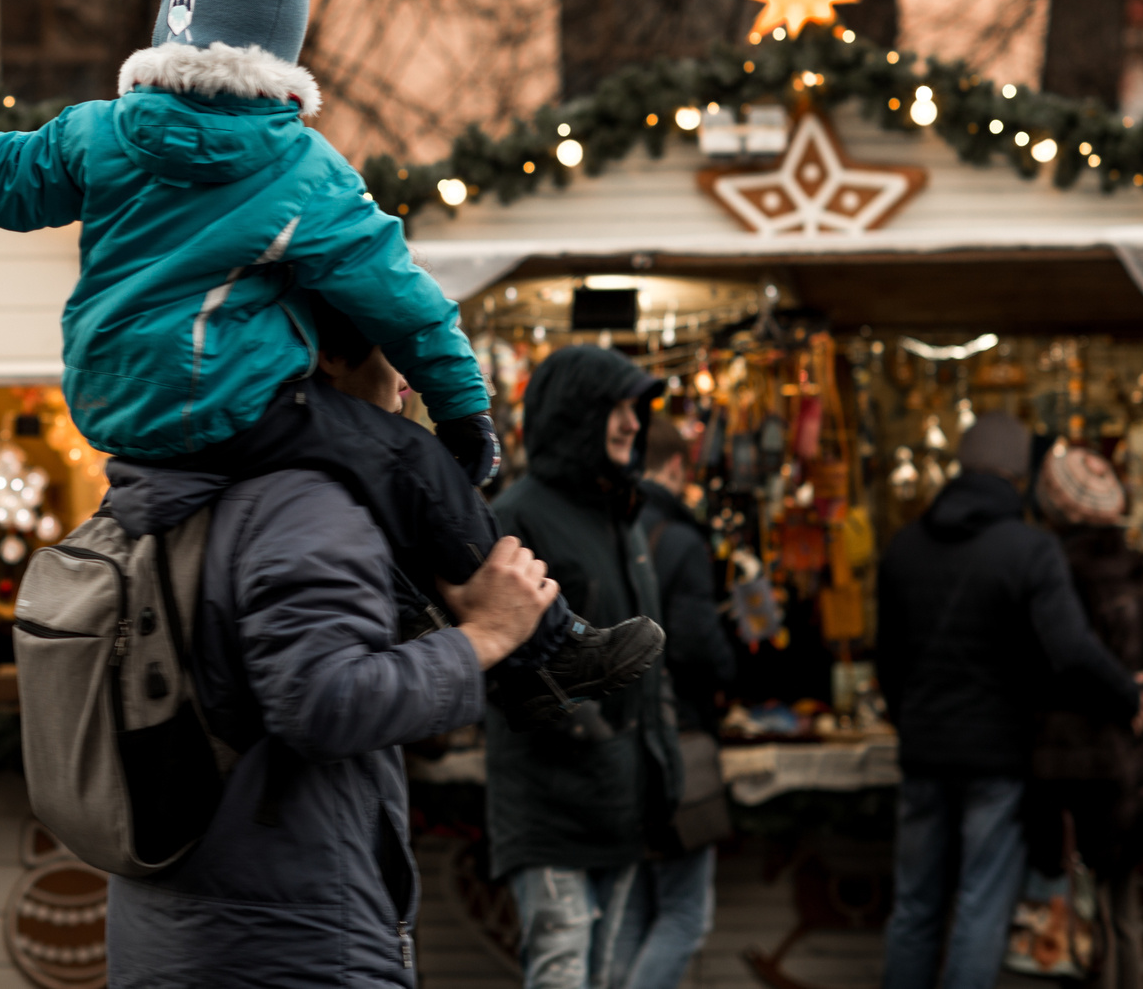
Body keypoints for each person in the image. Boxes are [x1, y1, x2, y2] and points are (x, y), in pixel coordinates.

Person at [0, 0, 655, 723]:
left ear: (170, 25)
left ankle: (431, 624)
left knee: (365, 465)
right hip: (230, 406)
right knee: (409, 463)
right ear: (281, 52)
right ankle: (545, 645)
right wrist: (465, 412)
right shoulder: (298, 167)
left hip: (116, 404)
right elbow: (404, 300)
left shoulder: (99, 135)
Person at [101, 414, 560, 984]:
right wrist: (484, 637)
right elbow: (324, 701)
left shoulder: (158, 489)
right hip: (292, 943)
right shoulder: (303, 499)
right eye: (386, 346)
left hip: (170, 934)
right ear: (332, 356)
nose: (405, 379)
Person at [875, 413, 1142, 989]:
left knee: (916, 908)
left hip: (923, 751)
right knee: (979, 907)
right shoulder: (1030, 550)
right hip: (998, 754)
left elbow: (887, 661)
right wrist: (1128, 695)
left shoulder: (904, 547)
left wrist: (911, 721)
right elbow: (1070, 649)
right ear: (1018, 478)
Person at [484, 345, 683, 989]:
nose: (632, 424)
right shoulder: (518, 516)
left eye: (636, 409)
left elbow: (651, 656)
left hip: (621, 805)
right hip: (552, 812)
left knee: (606, 978)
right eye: (616, 408)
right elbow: (506, 659)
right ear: (576, 415)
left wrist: (656, 759)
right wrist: (594, 735)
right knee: (564, 975)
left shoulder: (621, 516)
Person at [1027, 446, 1143, 989]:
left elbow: (1048, 672)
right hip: (1132, 770)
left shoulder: (1051, 577)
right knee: (1121, 914)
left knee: (1072, 917)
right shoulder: (1138, 576)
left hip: (1070, 772)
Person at [626, 417, 735, 989]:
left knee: (634, 914)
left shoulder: (609, 528)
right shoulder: (682, 541)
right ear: (676, 467)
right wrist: (730, 670)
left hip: (619, 740)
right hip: (679, 739)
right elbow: (697, 645)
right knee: (685, 915)